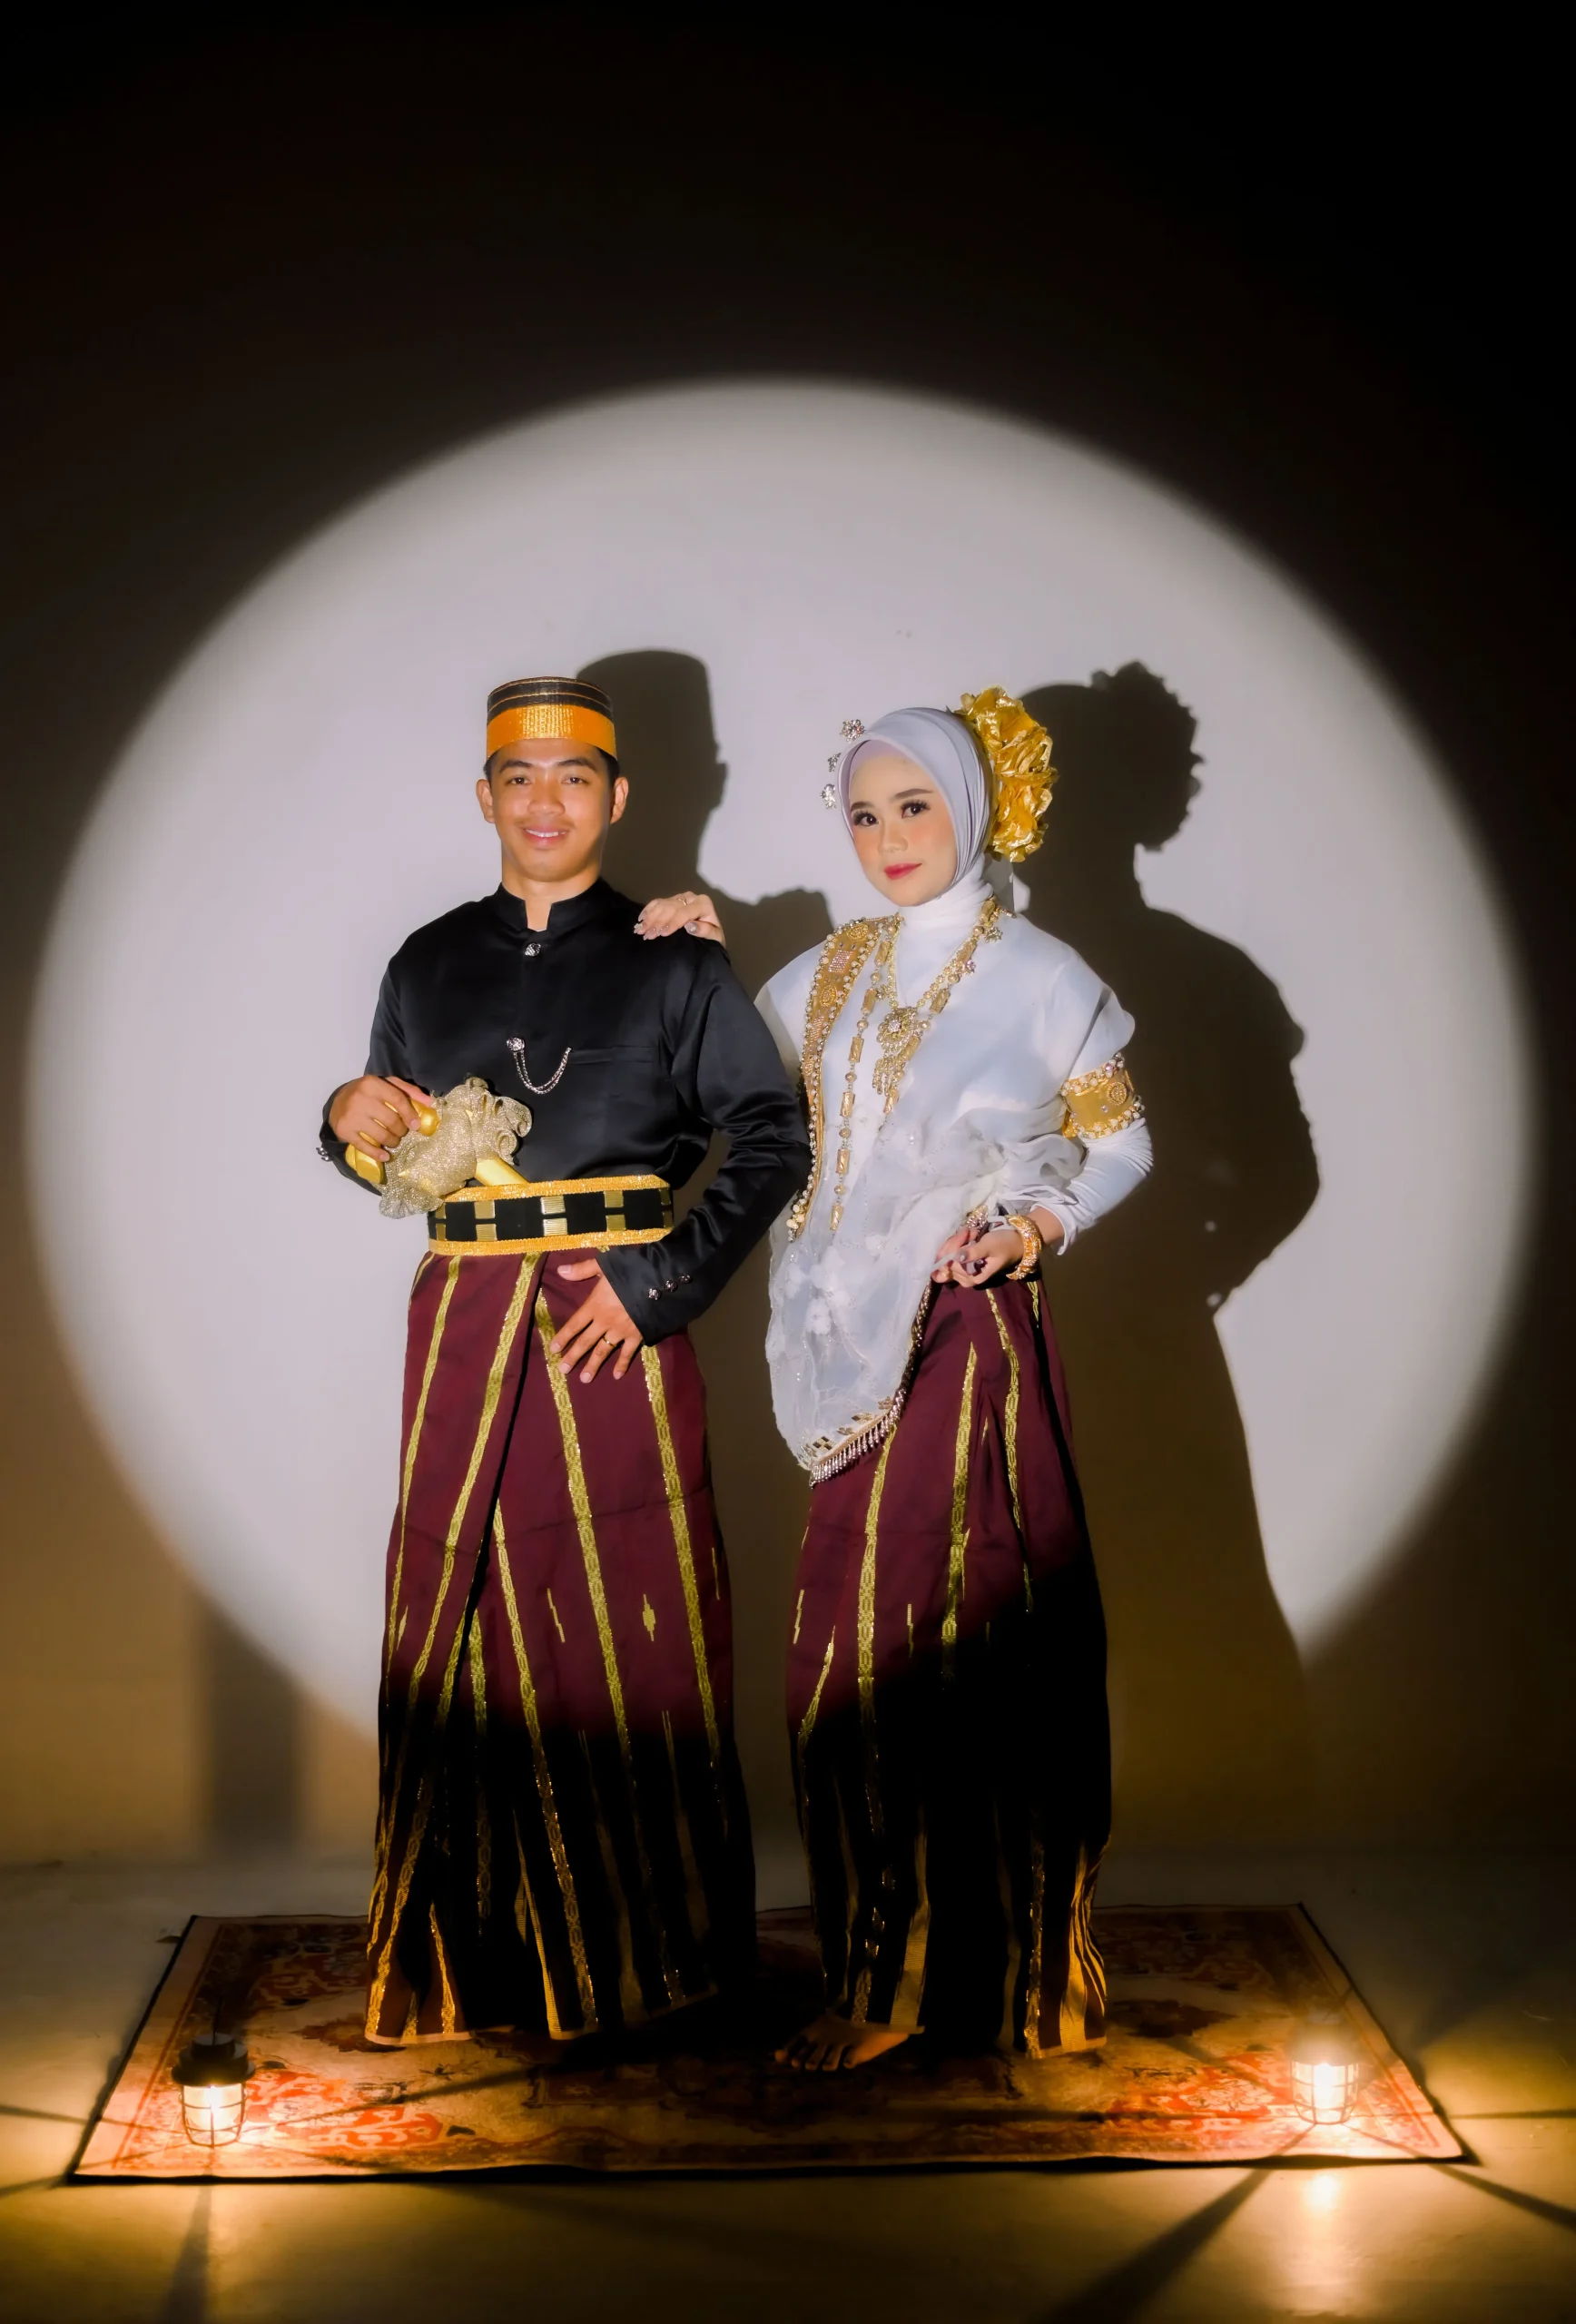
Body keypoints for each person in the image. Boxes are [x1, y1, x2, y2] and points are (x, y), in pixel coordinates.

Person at [641, 687, 1152, 2071]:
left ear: (973, 807)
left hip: (966, 1340)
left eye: (914, 806)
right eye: (864, 816)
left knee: (947, 1655)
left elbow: (1122, 1143)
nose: (888, 838)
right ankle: (884, 1964)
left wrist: (1036, 1225)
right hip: (843, 1347)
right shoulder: (830, 971)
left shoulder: (1043, 978)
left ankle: (936, 1979)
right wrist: (700, 960)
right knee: (851, 1656)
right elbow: (743, 1093)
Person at [320, 673, 811, 2048]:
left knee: (626, 1626)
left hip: (612, 1329)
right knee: (462, 1622)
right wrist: (343, 1115)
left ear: (618, 796)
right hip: (462, 1327)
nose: (546, 803)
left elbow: (773, 1135)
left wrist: (658, 1286)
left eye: (575, 778)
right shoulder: (423, 962)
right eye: (520, 778)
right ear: (485, 796)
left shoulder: (675, 961)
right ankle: (472, 1961)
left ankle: (651, 1966)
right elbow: (391, 1146)